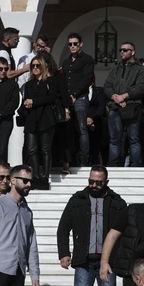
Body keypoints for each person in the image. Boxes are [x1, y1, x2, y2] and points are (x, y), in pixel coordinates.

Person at [57, 165, 127, 286]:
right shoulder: (77, 200)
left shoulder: (117, 202)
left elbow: (123, 232)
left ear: (106, 182)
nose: (94, 185)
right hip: (83, 261)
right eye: (91, 181)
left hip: (108, 262)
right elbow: (63, 228)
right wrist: (64, 253)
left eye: (98, 182)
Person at [103, 42, 144, 166]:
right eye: (120, 50)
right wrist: (114, 97)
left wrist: (124, 96)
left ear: (133, 52)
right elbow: (107, 86)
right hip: (115, 107)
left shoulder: (141, 69)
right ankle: (112, 166)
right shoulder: (115, 69)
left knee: (133, 139)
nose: (122, 52)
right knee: (114, 139)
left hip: (133, 107)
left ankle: (135, 166)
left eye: (125, 50)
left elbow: (141, 88)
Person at [22, 52, 58, 190]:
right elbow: (27, 99)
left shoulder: (49, 81)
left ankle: (45, 177)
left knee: (45, 149)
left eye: (38, 65)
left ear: (43, 67)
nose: (35, 68)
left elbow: (52, 98)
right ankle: (36, 176)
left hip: (46, 119)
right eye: (33, 66)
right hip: (32, 119)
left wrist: (34, 101)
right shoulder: (28, 84)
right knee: (31, 149)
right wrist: (27, 103)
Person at [60, 32, 95, 165]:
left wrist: (74, 94)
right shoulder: (66, 61)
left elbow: (87, 79)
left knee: (82, 128)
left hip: (80, 97)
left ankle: (84, 160)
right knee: (67, 128)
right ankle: (69, 159)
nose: (73, 46)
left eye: (75, 43)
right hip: (67, 99)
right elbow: (63, 80)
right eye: (70, 44)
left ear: (81, 44)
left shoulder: (87, 59)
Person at [0, 57, 19, 161]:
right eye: (0, 69)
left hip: (6, 121)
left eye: (5, 69)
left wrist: (1, 113)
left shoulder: (13, 85)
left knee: (2, 148)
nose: (3, 71)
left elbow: (14, 103)